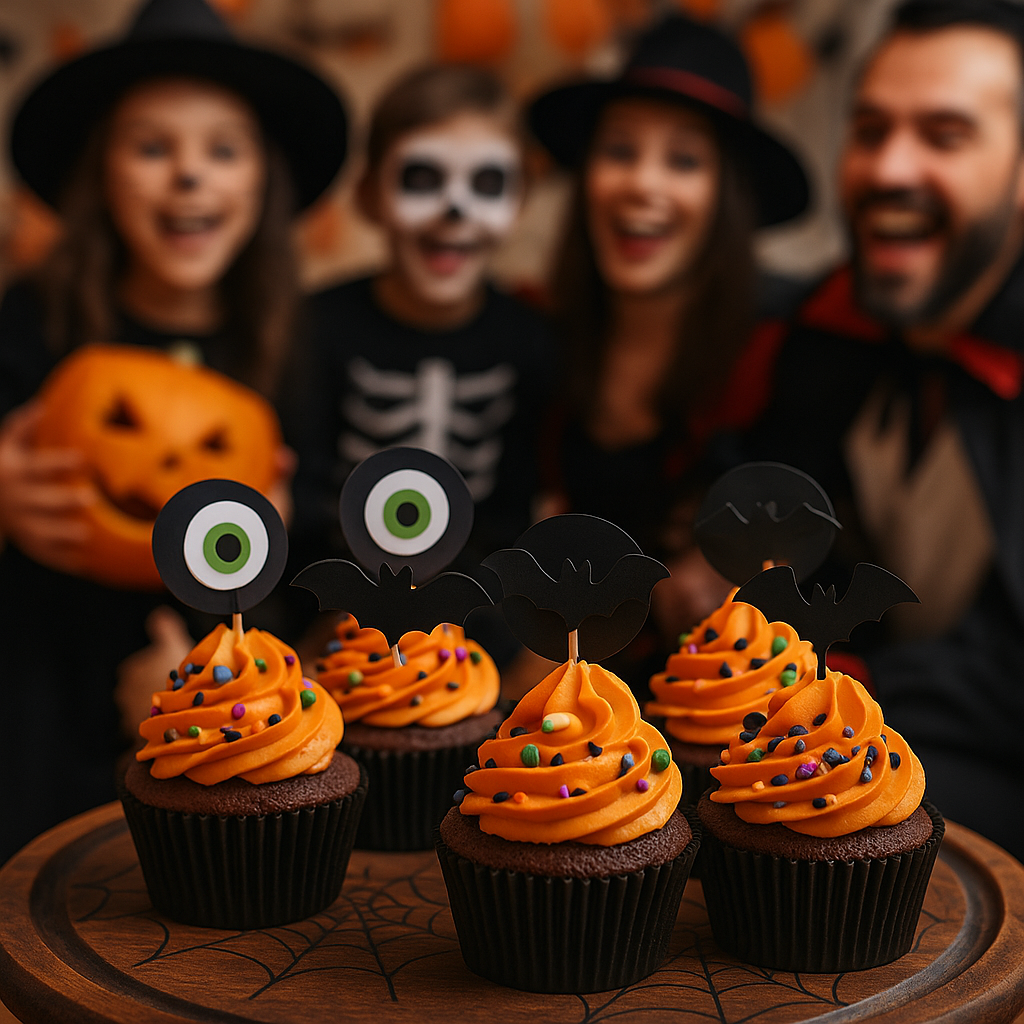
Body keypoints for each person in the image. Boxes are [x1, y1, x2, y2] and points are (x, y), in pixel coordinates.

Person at [0, 0, 347, 863]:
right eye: (152, 147)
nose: (188, 176)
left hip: (220, 675)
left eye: (222, 150)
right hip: (42, 666)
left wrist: (265, 539)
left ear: (261, 180)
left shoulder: (300, 343)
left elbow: (312, 541)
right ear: (101, 173)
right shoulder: (31, 323)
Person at [748, 0, 1024, 860]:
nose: (889, 168)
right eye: (870, 130)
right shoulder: (829, 334)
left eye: (944, 135)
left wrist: (834, 692)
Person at [526, 15, 810, 692]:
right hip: (557, 707)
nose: (643, 184)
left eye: (683, 160)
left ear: (725, 195)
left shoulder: (780, 352)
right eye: (620, 151)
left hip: (723, 705)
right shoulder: (535, 330)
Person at [289, 65, 553, 671]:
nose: (454, 210)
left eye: (487, 183)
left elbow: (516, 511)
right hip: (330, 631)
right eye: (421, 178)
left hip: (484, 633)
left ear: (518, 204)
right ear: (368, 196)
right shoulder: (314, 327)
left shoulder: (532, 341)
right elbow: (300, 502)